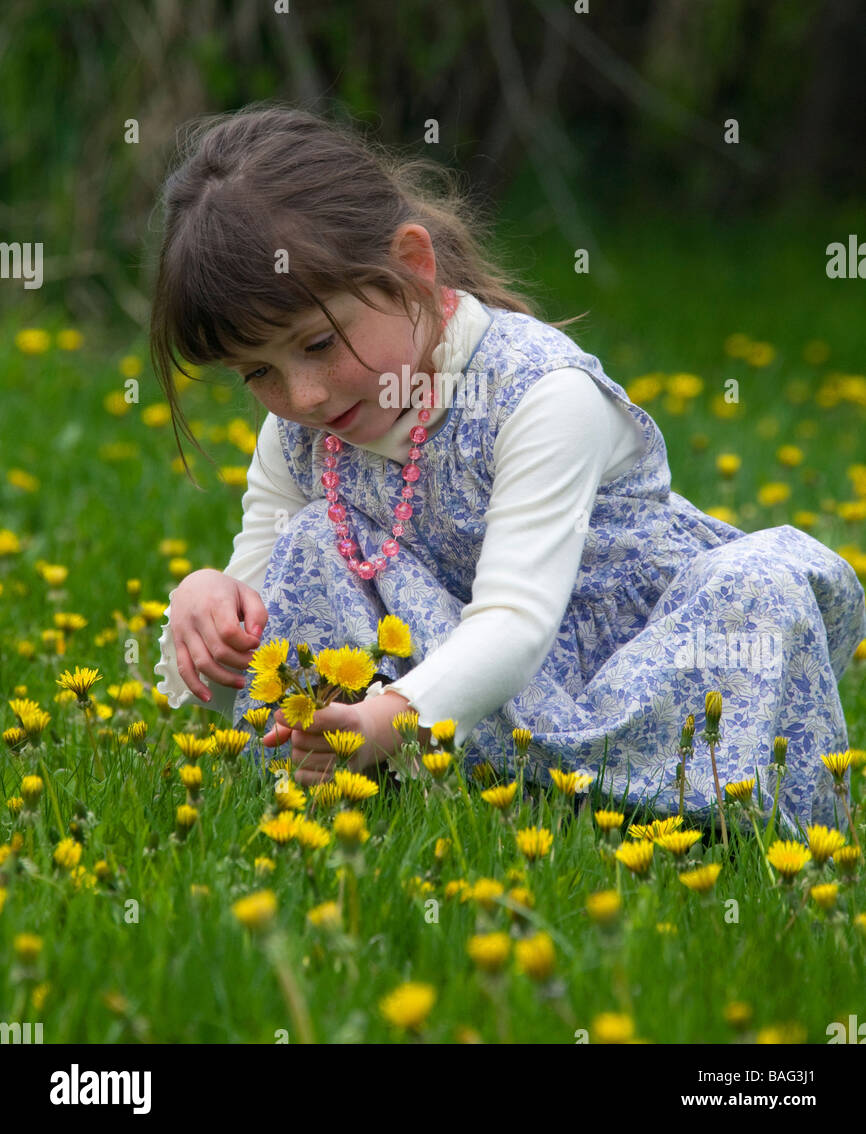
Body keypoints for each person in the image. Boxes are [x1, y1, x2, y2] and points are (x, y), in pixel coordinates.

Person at [149, 103, 866, 836]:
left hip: (628, 677)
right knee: (307, 541)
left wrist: (388, 719)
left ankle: (665, 802)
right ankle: (428, 784)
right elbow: (270, 646)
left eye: (317, 344)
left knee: (760, 591)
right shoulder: (301, 437)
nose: (301, 396)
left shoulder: (542, 395)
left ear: (413, 268)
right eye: (258, 372)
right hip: (451, 705)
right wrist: (209, 607)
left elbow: (514, 623)